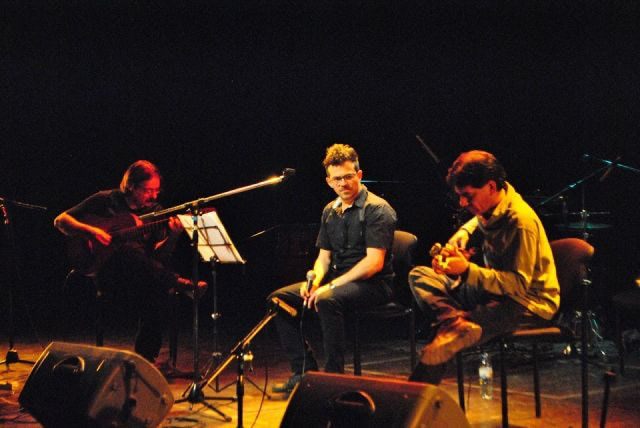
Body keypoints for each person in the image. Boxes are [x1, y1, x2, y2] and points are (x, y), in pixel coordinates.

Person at [408, 150, 560, 384]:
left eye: (468, 196)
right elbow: (478, 221)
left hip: (526, 303)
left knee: (445, 338)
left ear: (491, 186)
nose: (462, 203)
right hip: (494, 293)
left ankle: (415, 395)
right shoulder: (490, 206)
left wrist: (466, 271)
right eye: (460, 196)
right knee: (420, 275)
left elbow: (518, 285)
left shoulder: (521, 222)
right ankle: (454, 320)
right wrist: (462, 235)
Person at [268, 143, 397, 393]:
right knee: (278, 300)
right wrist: (315, 281)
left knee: (327, 299)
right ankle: (303, 372)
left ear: (359, 175)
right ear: (329, 181)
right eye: (337, 179)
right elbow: (323, 258)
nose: (343, 183)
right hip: (339, 281)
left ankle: (333, 380)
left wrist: (330, 286)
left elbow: (374, 263)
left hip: (375, 285)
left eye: (348, 177)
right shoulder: (330, 210)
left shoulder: (378, 209)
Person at [54, 160, 206, 364]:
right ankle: (178, 282)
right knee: (125, 250)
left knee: (157, 287)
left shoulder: (156, 211)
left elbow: (158, 256)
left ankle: (145, 358)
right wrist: (92, 232)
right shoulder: (106, 200)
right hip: (104, 271)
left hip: (139, 275)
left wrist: (173, 236)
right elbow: (60, 220)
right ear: (132, 186)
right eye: (148, 190)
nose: (153, 196)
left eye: (157, 191)